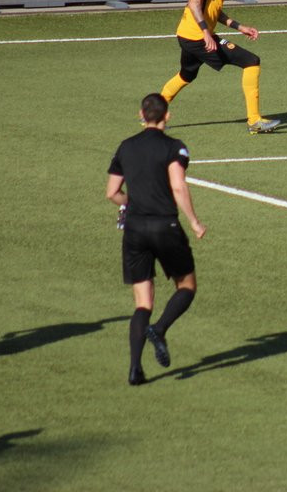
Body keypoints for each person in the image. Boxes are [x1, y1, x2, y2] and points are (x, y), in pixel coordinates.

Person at [106, 93, 206, 386]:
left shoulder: (126, 147)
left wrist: (131, 203)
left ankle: (135, 369)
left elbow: (112, 192)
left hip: (134, 229)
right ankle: (160, 329)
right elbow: (178, 186)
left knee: (142, 303)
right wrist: (195, 222)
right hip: (166, 226)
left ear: (141, 114)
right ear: (168, 116)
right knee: (186, 285)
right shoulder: (174, 147)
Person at [160, 0, 280, 135]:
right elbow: (194, 2)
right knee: (251, 60)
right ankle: (254, 120)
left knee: (186, 74)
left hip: (186, 34)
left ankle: (151, 115)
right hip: (197, 37)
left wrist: (238, 26)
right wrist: (206, 34)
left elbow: (213, 9)